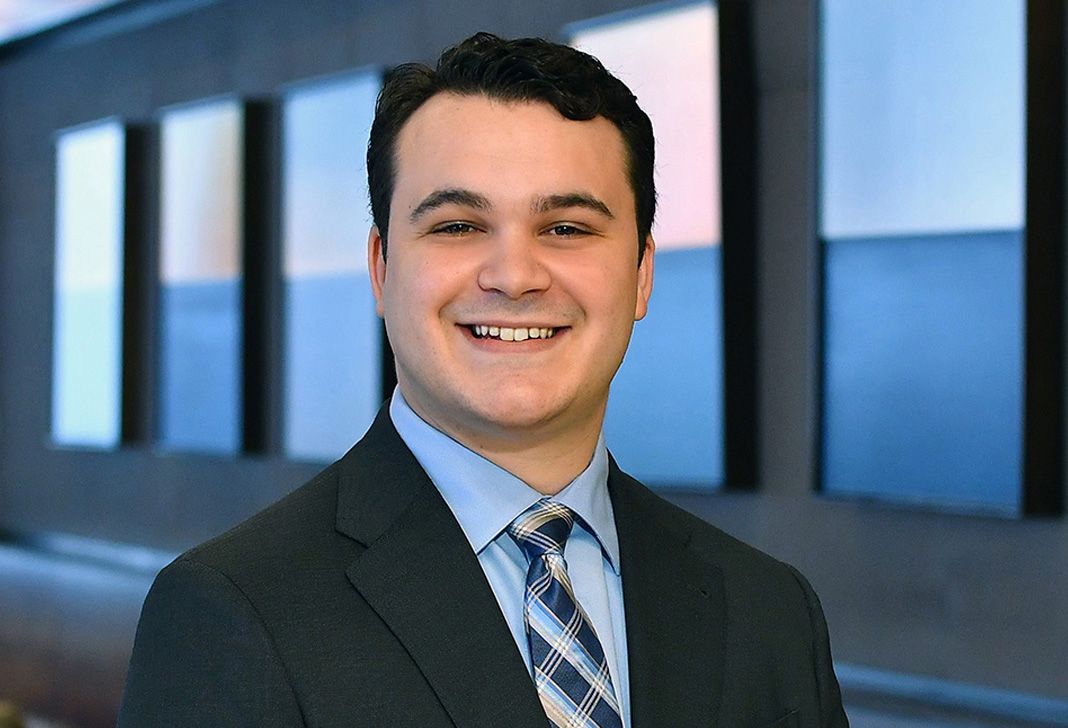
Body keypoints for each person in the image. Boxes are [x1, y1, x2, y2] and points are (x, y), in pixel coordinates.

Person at [117, 32, 849, 728]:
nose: (514, 276)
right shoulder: (233, 613)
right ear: (381, 269)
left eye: (566, 228)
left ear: (642, 274)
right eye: (458, 226)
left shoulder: (770, 610)